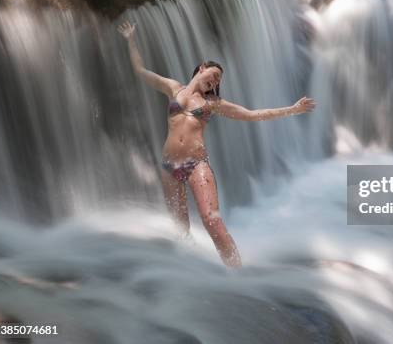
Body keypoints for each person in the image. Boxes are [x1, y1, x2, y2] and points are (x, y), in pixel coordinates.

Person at [117, 21, 316, 268]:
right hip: (169, 167)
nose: (214, 82)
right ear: (201, 69)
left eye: (217, 81)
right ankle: (188, 272)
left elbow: (252, 114)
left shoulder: (213, 104)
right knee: (180, 228)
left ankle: (237, 271)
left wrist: (293, 109)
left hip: (196, 164)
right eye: (213, 76)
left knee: (211, 220)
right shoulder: (173, 88)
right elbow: (140, 71)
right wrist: (131, 40)